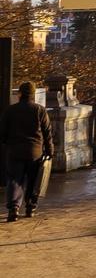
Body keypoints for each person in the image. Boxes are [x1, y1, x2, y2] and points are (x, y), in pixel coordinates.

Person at [1, 81, 53, 222]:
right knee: (33, 180)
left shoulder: (10, 111)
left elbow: (3, 132)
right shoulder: (40, 110)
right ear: (33, 94)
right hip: (34, 152)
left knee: (14, 179)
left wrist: (8, 143)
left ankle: (14, 208)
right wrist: (49, 151)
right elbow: (47, 133)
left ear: (20, 94)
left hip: (15, 151)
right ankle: (30, 207)